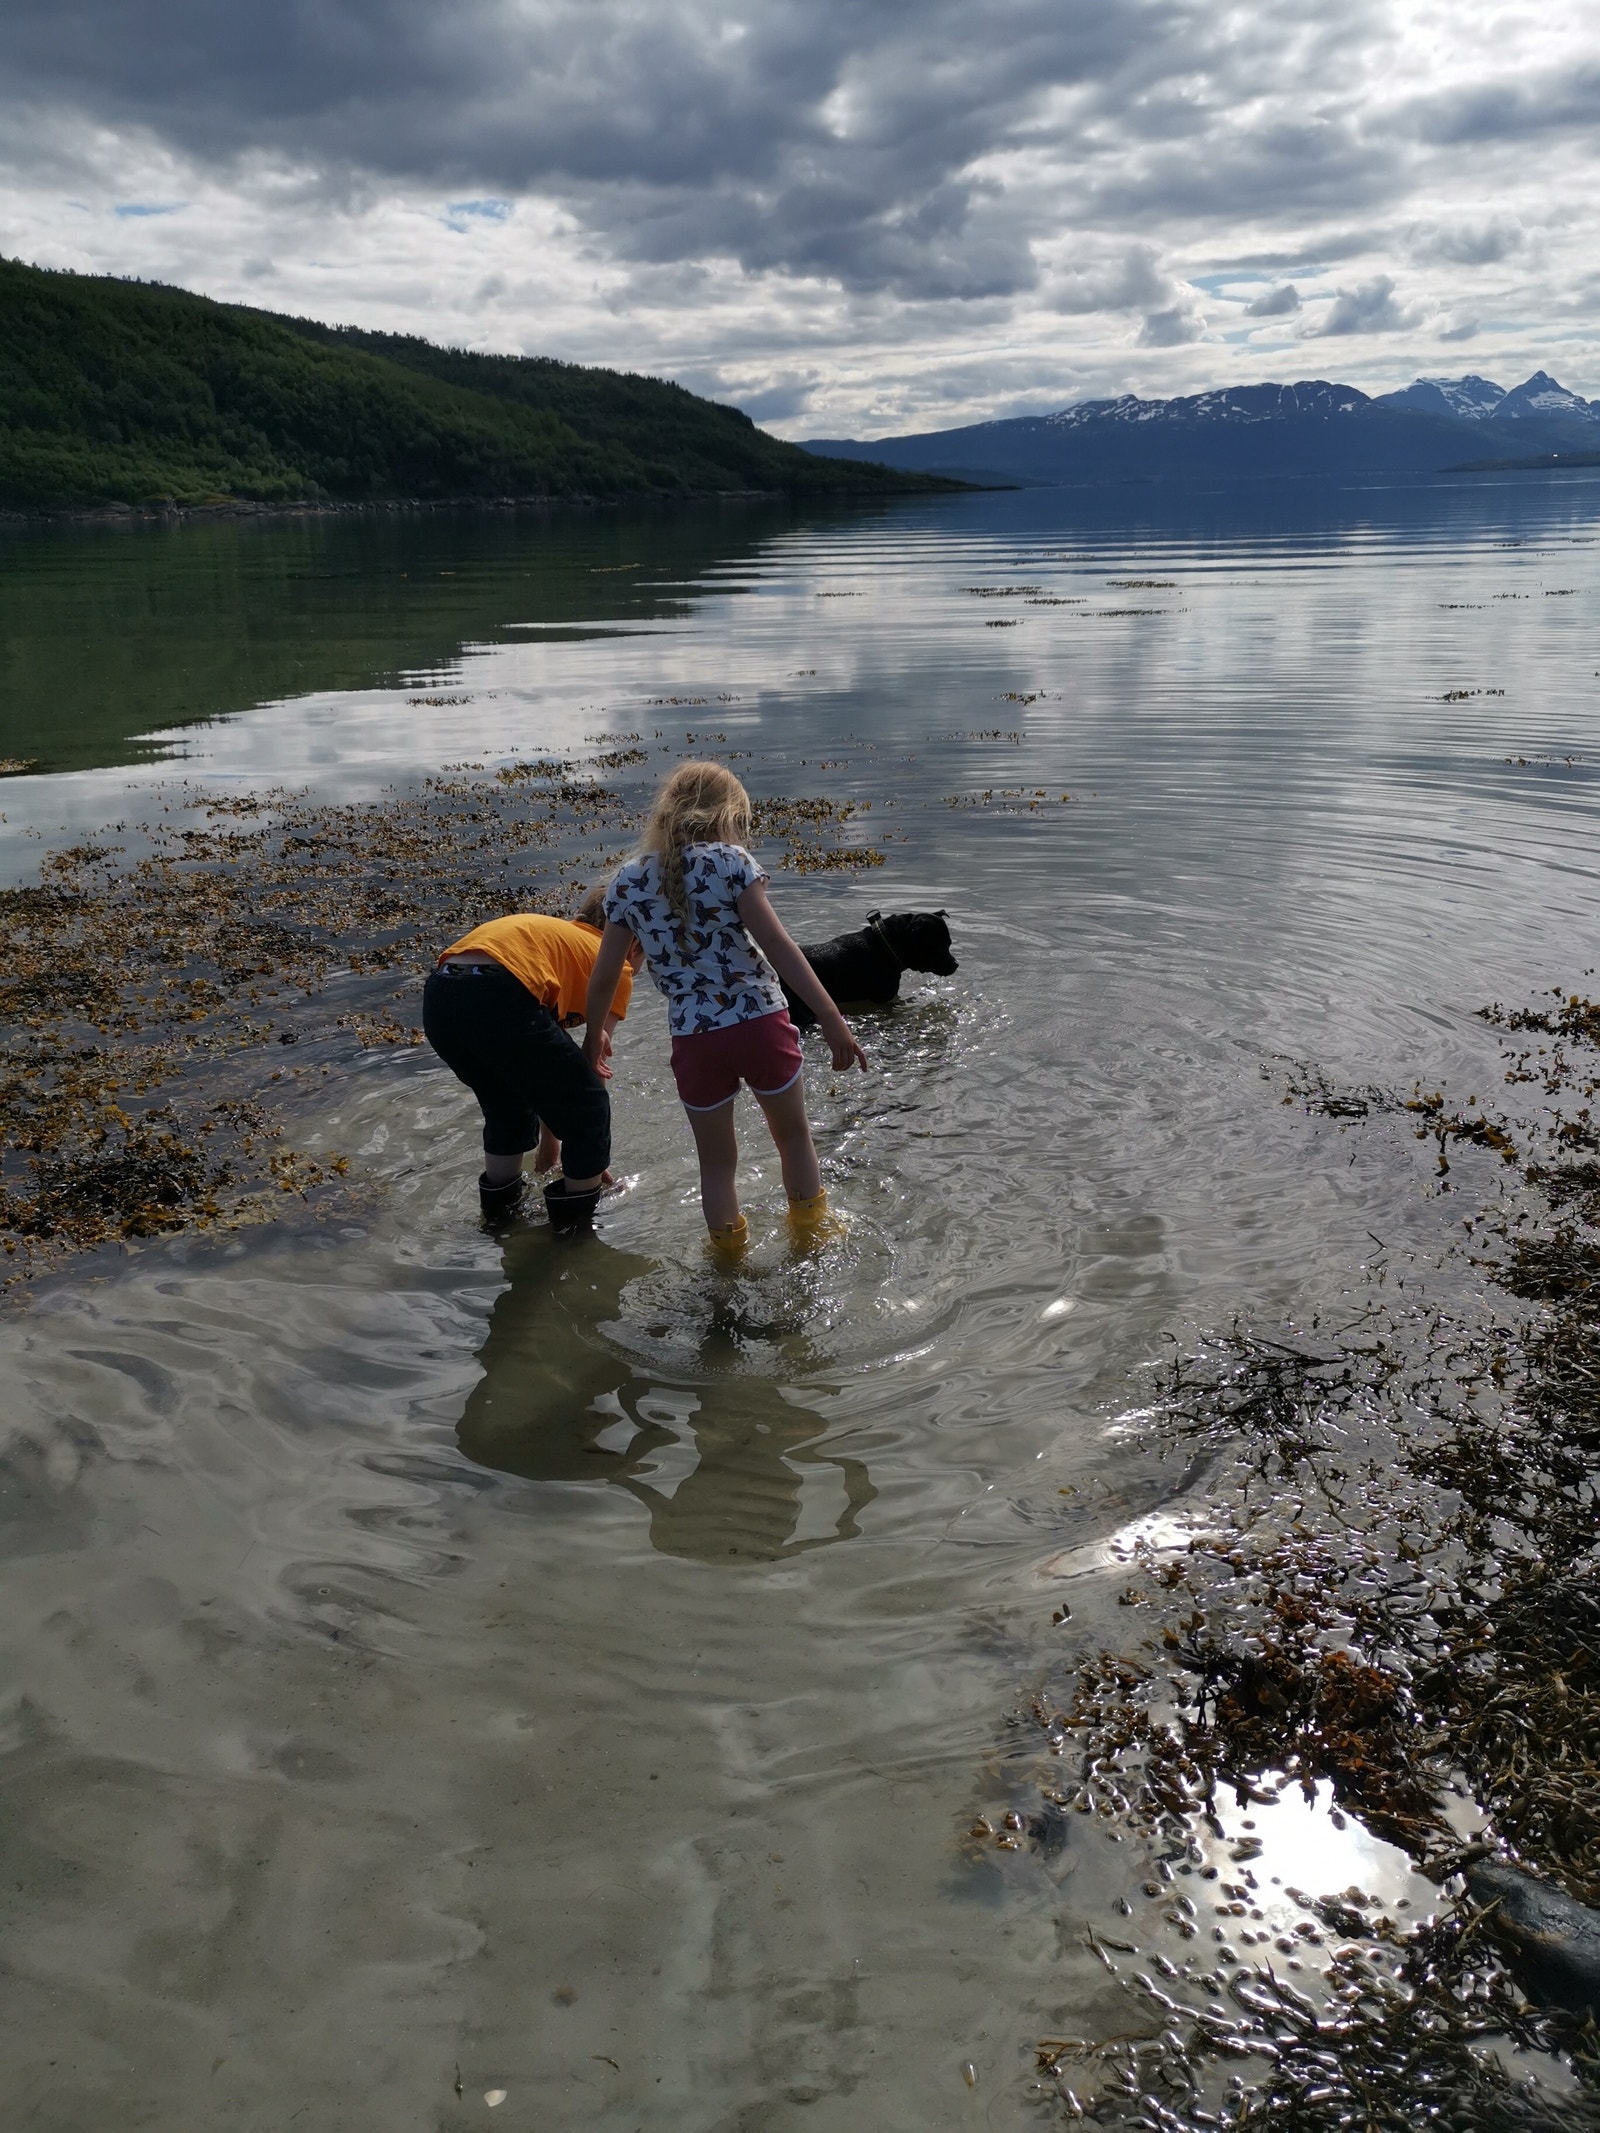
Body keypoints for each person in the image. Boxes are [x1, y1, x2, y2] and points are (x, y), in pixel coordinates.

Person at [583, 761, 867, 1255]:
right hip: (759, 1023)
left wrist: (594, 1037)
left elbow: (607, 974)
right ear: (728, 813)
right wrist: (831, 1018)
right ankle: (811, 1244)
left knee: (715, 1165)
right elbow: (780, 947)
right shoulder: (731, 863)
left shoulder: (627, 882)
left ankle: (729, 1263)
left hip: (693, 1040)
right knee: (794, 1140)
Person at [422, 890, 643, 1231]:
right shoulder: (617, 963)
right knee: (590, 1109)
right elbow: (591, 1065)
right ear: (634, 944)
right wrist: (592, 1157)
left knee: (506, 1106)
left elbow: (543, 1074)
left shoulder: (560, 940)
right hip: (501, 992)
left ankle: (499, 1220)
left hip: (441, 996)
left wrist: (551, 1150)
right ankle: (575, 1235)